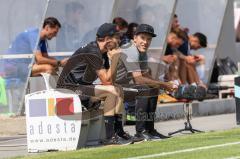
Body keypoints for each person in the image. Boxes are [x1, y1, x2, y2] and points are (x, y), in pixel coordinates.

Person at [57, 23, 132, 145]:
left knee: (118, 89)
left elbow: (111, 81)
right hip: (68, 89)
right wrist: (115, 60)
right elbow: (106, 82)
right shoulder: (92, 51)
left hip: (80, 88)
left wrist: (113, 60)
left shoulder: (102, 52)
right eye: (117, 37)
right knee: (112, 92)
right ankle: (109, 137)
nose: (119, 41)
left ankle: (119, 132)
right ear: (108, 39)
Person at [115, 24, 175, 141]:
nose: (145, 42)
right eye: (143, 38)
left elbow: (145, 74)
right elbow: (138, 79)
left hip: (122, 86)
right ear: (135, 38)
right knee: (144, 89)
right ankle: (140, 132)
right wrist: (165, 85)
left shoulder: (142, 52)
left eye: (149, 39)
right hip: (111, 86)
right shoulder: (130, 50)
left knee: (152, 89)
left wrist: (163, 84)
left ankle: (149, 130)